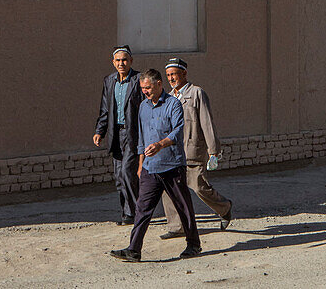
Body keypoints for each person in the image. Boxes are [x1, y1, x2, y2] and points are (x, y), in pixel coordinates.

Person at [110, 69, 201, 262]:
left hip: (172, 165)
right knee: (142, 209)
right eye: (143, 88)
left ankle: (193, 244)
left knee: (183, 206)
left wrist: (160, 144)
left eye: (148, 87)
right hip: (150, 168)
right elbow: (142, 138)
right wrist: (141, 164)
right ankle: (134, 250)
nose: (145, 91)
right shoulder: (143, 106)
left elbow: (178, 132)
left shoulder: (173, 104)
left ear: (159, 84)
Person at [159, 57, 233, 239]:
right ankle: (177, 226)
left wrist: (213, 150)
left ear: (184, 73)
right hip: (172, 152)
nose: (171, 78)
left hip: (193, 150)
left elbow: (207, 122)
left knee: (199, 187)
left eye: (174, 74)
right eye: (168, 75)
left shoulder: (197, 93)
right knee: (169, 189)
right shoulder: (168, 97)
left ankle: (224, 207)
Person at [93, 46, 141, 225]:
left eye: (125, 60)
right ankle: (126, 211)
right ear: (113, 62)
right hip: (116, 134)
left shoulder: (137, 80)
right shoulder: (109, 81)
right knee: (119, 175)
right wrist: (100, 131)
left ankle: (135, 213)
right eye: (118, 60)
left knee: (129, 172)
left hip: (133, 134)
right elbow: (105, 109)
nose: (121, 63)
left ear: (131, 61)